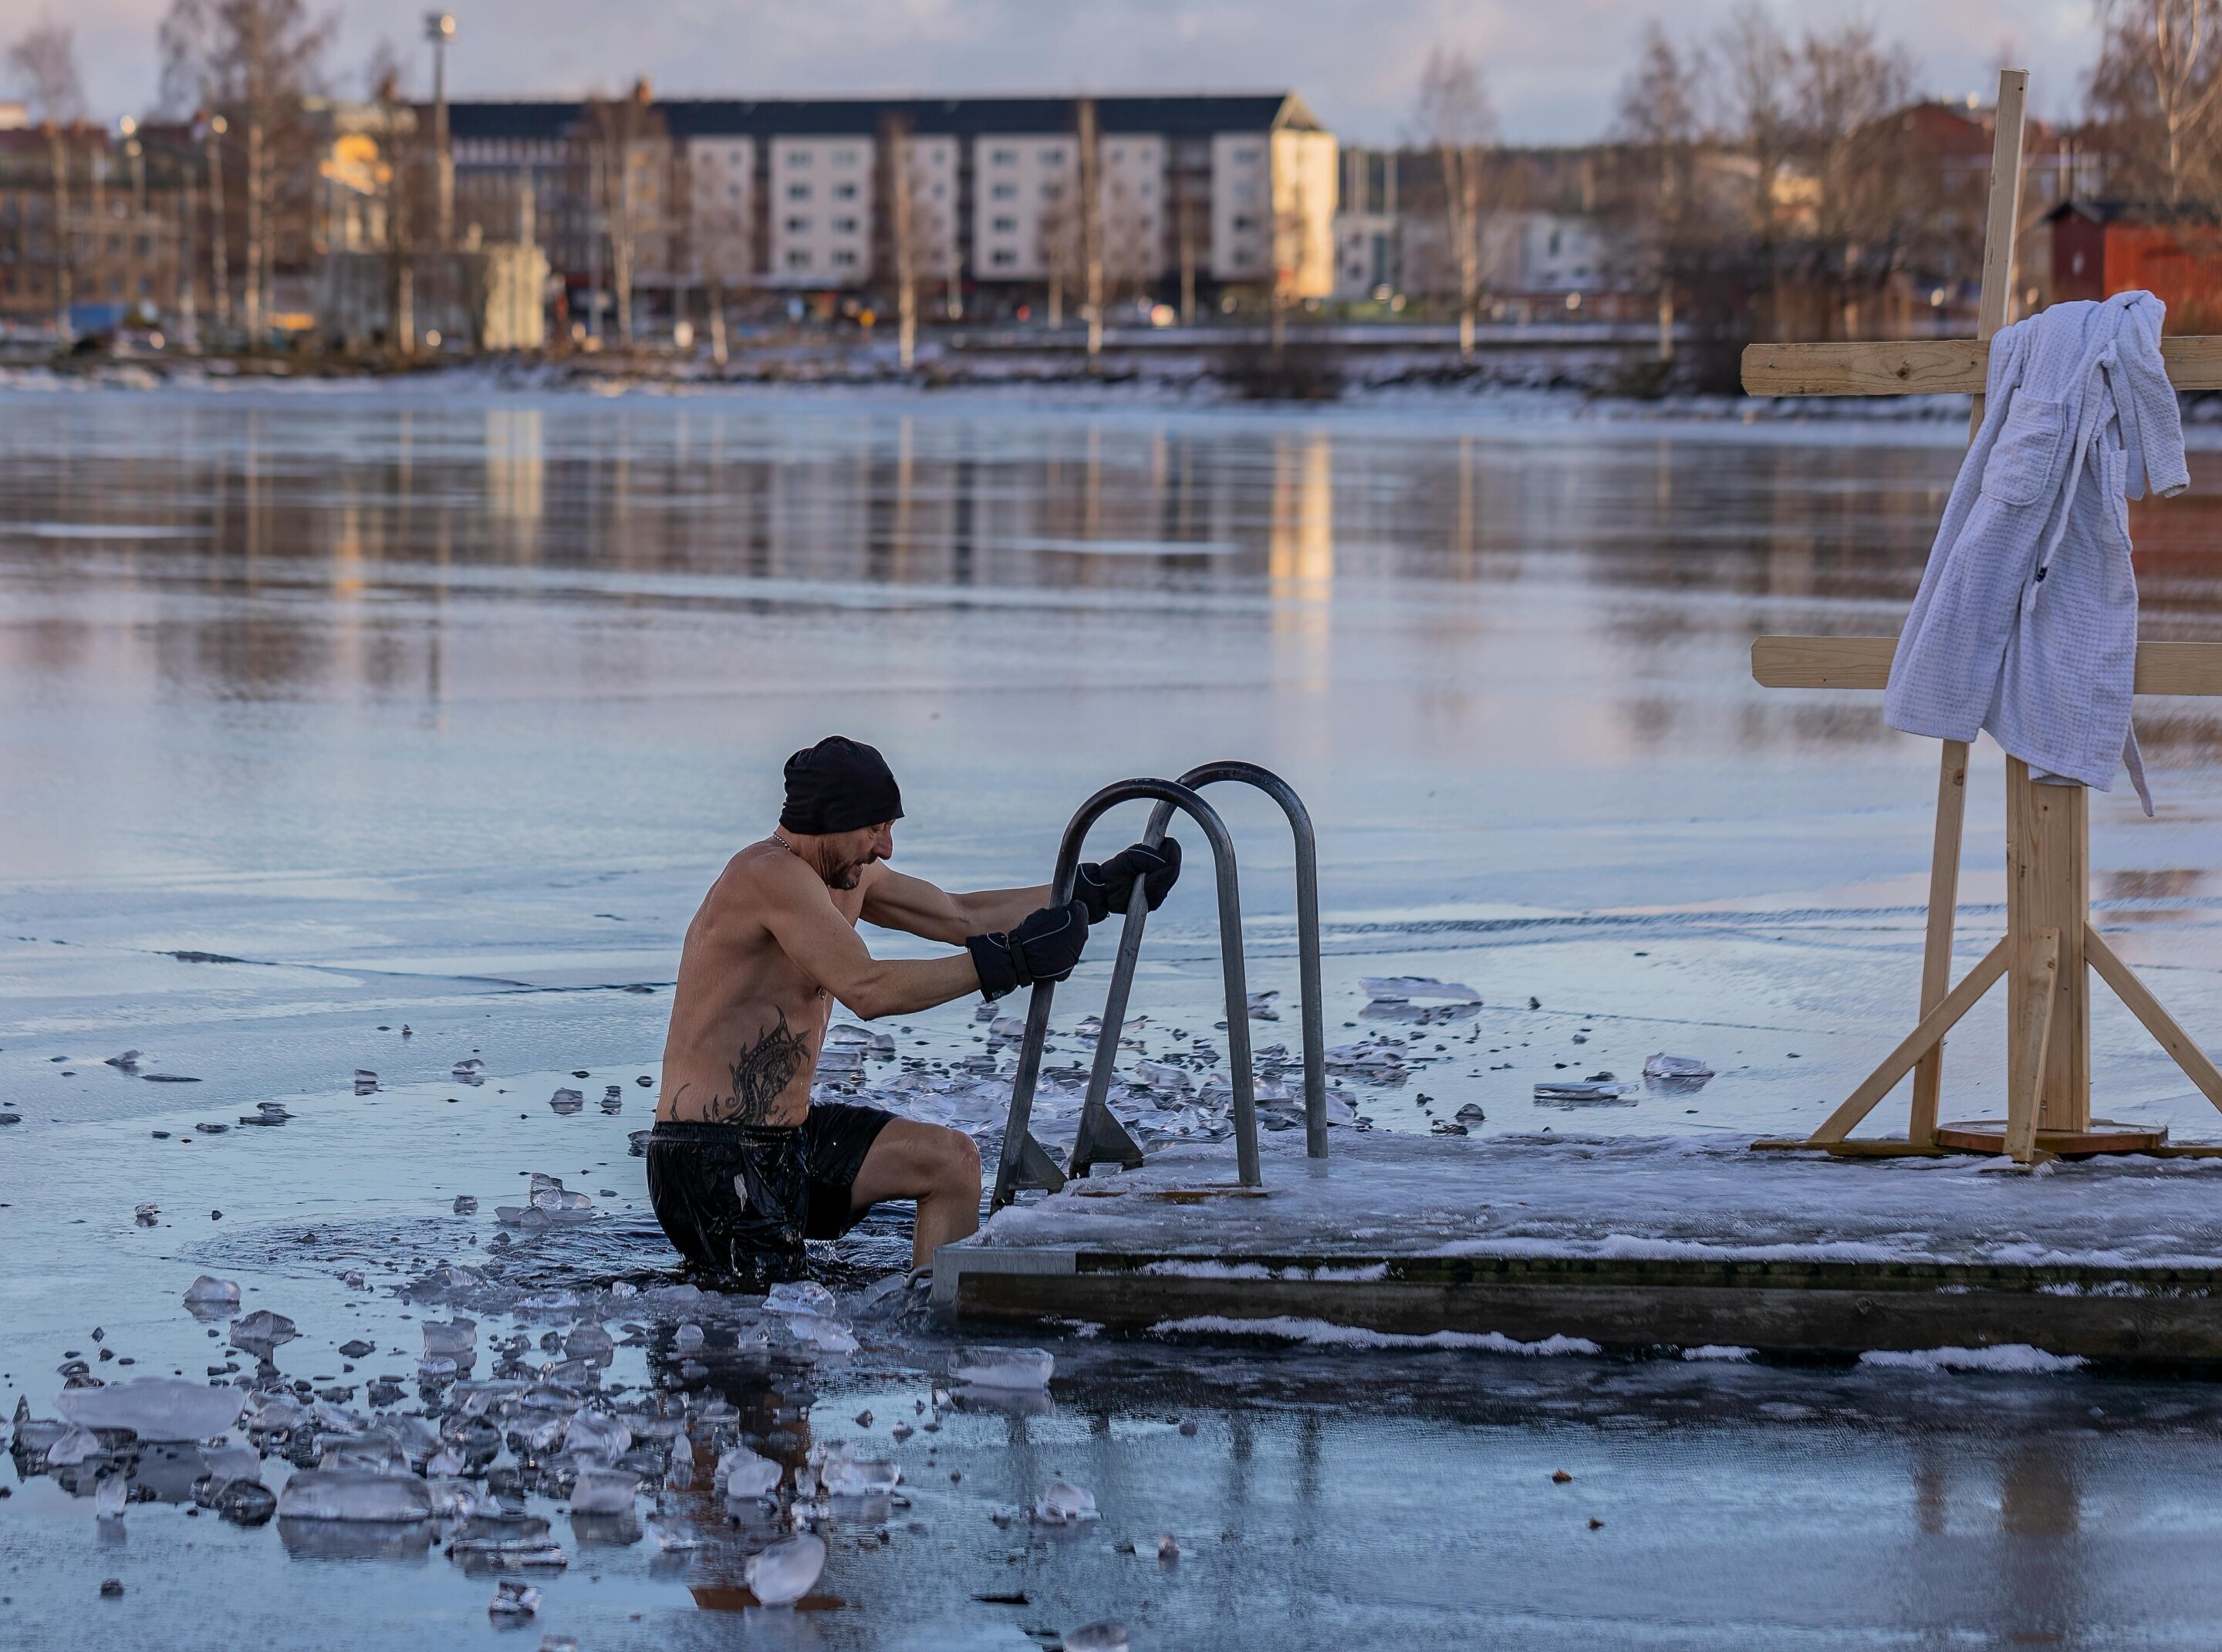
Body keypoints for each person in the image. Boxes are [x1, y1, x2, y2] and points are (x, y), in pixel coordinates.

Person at [649, 735, 1181, 1281]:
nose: (886, 848)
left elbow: (960, 916)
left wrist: (1090, 890)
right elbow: (868, 987)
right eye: (875, 829)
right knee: (784, 1335)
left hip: (792, 1140)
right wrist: (1012, 962)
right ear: (830, 818)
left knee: (950, 1162)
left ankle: (934, 1326)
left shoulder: (847, 878)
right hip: (710, 1159)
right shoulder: (767, 875)